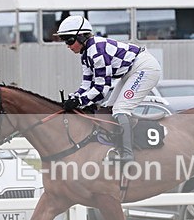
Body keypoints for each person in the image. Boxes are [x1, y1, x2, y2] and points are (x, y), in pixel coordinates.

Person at [57, 15, 162, 163]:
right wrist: (74, 97)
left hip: (145, 68)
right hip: (130, 71)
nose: (68, 46)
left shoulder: (97, 51)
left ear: (81, 37)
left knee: (120, 110)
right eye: (65, 42)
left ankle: (127, 154)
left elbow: (101, 89)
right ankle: (116, 146)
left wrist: (80, 100)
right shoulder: (85, 54)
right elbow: (86, 85)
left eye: (69, 40)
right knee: (109, 108)